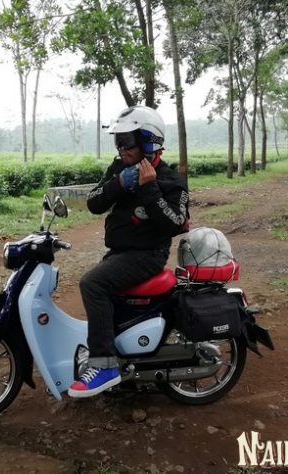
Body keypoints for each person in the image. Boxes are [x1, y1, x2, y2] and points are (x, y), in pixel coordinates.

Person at [68, 106, 190, 398]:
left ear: (149, 142)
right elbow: (94, 203)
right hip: (120, 253)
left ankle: (105, 365)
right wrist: (119, 184)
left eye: (128, 142)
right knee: (108, 297)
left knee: (93, 284)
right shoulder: (118, 169)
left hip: (148, 254)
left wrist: (149, 190)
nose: (121, 148)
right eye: (118, 141)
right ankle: (121, 358)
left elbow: (176, 223)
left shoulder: (171, 180)